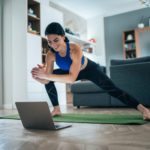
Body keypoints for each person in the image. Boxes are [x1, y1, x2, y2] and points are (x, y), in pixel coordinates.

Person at [31, 22, 150, 119]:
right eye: (49, 42)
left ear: (63, 37)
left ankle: (143, 109)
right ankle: (56, 109)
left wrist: (46, 75)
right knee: (48, 77)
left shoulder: (74, 48)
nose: (53, 45)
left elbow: (72, 79)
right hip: (70, 71)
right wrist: (40, 77)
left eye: (56, 40)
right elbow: (48, 80)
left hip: (89, 69)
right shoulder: (50, 55)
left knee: (113, 89)